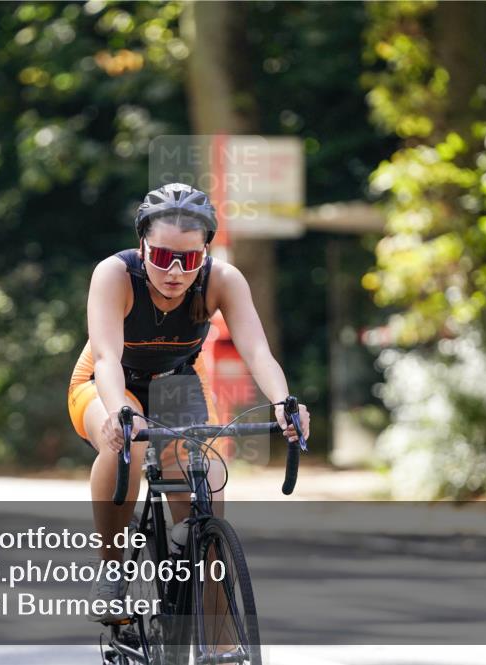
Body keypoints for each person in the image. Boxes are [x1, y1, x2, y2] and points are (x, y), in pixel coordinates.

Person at [66, 182, 311, 623]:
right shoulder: (115, 275)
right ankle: (111, 570)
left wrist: (283, 403)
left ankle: (219, 638)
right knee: (128, 443)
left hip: (175, 384)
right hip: (107, 382)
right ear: (142, 246)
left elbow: (257, 351)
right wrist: (119, 414)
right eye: (162, 256)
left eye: (189, 258)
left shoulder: (223, 280)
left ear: (205, 252)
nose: (175, 271)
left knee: (207, 489)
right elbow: (106, 358)